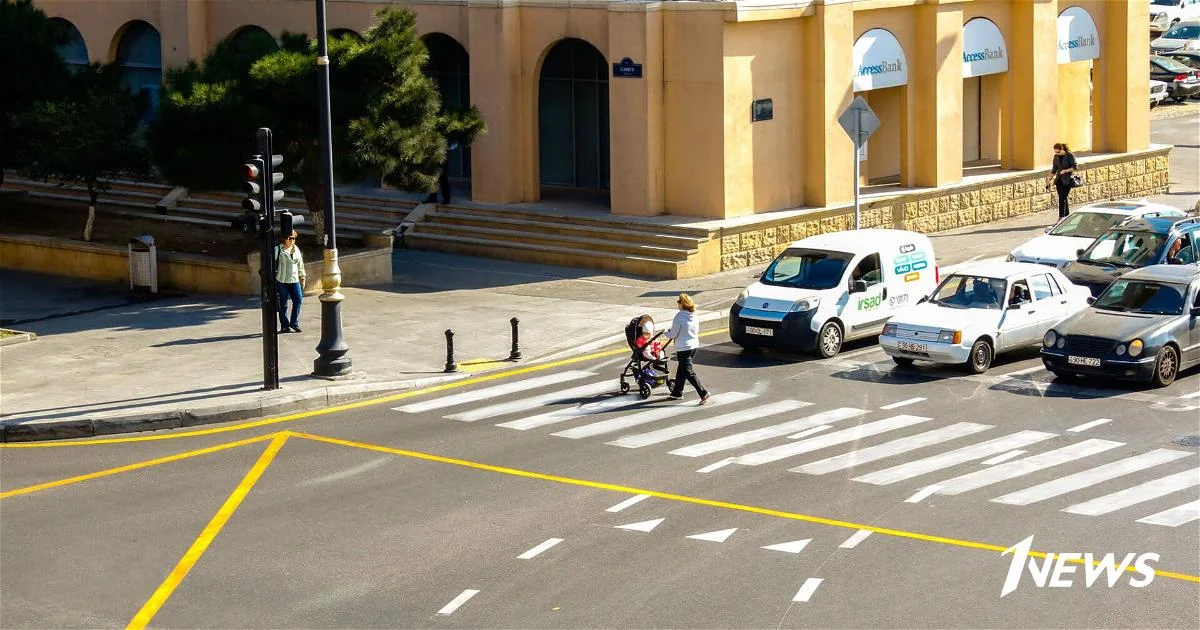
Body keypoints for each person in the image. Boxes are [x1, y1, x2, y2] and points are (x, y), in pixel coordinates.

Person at [665, 293, 709, 404]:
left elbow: (673, 334)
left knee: (688, 372)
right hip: (694, 346)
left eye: (678, 302)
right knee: (682, 370)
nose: (677, 304)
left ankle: (703, 393)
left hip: (683, 348)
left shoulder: (679, 316)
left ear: (682, 304)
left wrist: (665, 332)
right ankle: (677, 392)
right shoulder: (693, 314)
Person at [275, 230, 306, 333]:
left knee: (298, 300)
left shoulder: (296, 249)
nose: (292, 240)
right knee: (283, 303)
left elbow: (300, 264)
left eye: (294, 238)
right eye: (290, 238)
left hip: (294, 280)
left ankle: (294, 323)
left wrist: (302, 277)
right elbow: (272, 263)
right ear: (285, 239)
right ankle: (284, 325)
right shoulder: (278, 249)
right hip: (282, 280)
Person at [1046, 142, 1077, 219]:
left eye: (1058, 152)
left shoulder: (1069, 155)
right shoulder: (1056, 157)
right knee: (1063, 197)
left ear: (1062, 149)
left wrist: (1065, 171)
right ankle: (1066, 217)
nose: (1057, 153)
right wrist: (1049, 179)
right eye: (1055, 152)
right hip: (1059, 180)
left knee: (1062, 198)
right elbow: (1054, 169)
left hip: (1068, 179)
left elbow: (1074, 167)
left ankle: (1061, 218)